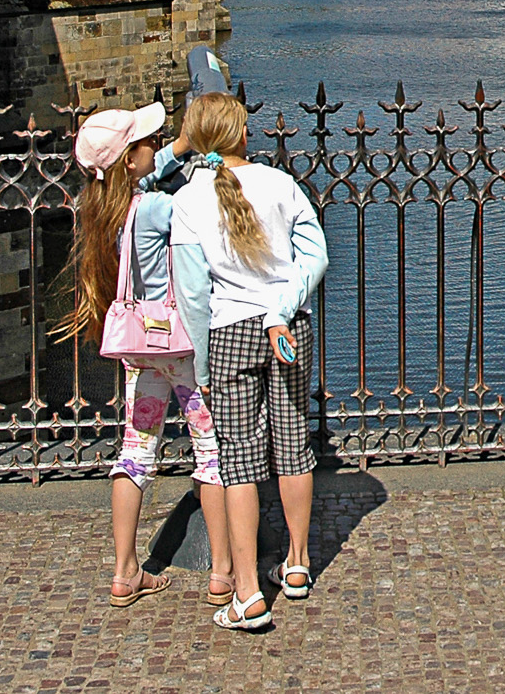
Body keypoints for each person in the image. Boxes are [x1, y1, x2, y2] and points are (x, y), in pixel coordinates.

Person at [56, 103, 234, 610]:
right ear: (131, 160)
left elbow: (139, 178)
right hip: (178, 346)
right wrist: (205, 161)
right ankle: (221, 572)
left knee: (135, 453)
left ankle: (124, 571)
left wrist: (178, 147)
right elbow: (201, 211)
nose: (154, 147)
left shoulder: (103, 208)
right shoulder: (158, 207)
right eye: (146, 143)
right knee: (211, 453)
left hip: (139, 349)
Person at [172, 91, 328, 632]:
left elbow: (192, 294)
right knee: (293, 443)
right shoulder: (282, 185)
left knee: (238, 458)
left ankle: (246, 593)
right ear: (242, 134)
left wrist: (201, 369)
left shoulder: (188, 200)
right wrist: (280, 309)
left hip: (228, 333)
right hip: (286, 330)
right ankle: (299, 564)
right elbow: (315, 257)